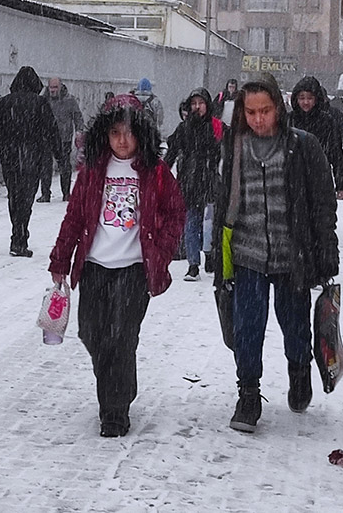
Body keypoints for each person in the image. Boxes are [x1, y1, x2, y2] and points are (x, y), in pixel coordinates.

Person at [48, 93, 185, 438]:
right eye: (114, 133)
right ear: (104, 136)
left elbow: (175, 212)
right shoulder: (93, 171)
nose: (122, 141)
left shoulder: (154, 172)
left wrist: (163, 252)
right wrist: (60, 258)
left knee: (121, 338)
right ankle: (119, 384)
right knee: (92, 334)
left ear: (140, 134)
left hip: (134, 269)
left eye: (128, 132)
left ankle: (114, 410)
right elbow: (75, 217)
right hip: (94, 266)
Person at [213, 73, 339, 434]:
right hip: (246, 255)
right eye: (250, 111)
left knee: (296, 326)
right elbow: (223, 200)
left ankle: (299, 370)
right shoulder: (234, 147)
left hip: (291, 256)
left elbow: (322, 203)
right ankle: (248, 394)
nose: (257, 119)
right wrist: (216, 256)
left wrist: (326, 251)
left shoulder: (303, 146)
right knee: (248, 329)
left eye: (264, 110)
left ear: (278, 109)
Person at [0, 66, 62, 257]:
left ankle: (17, 235)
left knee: (14, 195)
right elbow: (53, 132)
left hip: (10, 156)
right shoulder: (40, 103)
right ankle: (21, 237)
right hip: (32, 156)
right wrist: (61, 158)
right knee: (27, 198)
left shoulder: (3, 103)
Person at [164, 88, 223, 282]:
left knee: (210, 225)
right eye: (194, 104)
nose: (197, 107)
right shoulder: (184, 128)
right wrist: (162, 174)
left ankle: (210, 254)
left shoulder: (216, 126)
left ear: (207, 105)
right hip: (189, 183)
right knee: (191, 223)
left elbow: (227, 153)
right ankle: (193, 264)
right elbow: (171, 152)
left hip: (210, 183)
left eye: (201, 103)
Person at [289, 76, 343, 200]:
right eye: (302, 98)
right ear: (295, 99)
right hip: (291, 181)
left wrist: (341, 184)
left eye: (310, 98)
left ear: (317, 99)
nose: (306, 102)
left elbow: (336, 153)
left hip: (320, 180)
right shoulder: (288, 120)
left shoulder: (327, 122)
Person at [39, 78, 83, 202]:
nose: (53, 90)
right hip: (46, 138)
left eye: (55, 87)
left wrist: (79, 131)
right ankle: (45, 194)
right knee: (45, 166)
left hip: (64, 138)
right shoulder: (43, 100)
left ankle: (66, 193)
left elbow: (77, 116)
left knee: (64, 166)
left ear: (60, 87)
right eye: (51, 87)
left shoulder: (69, 100)